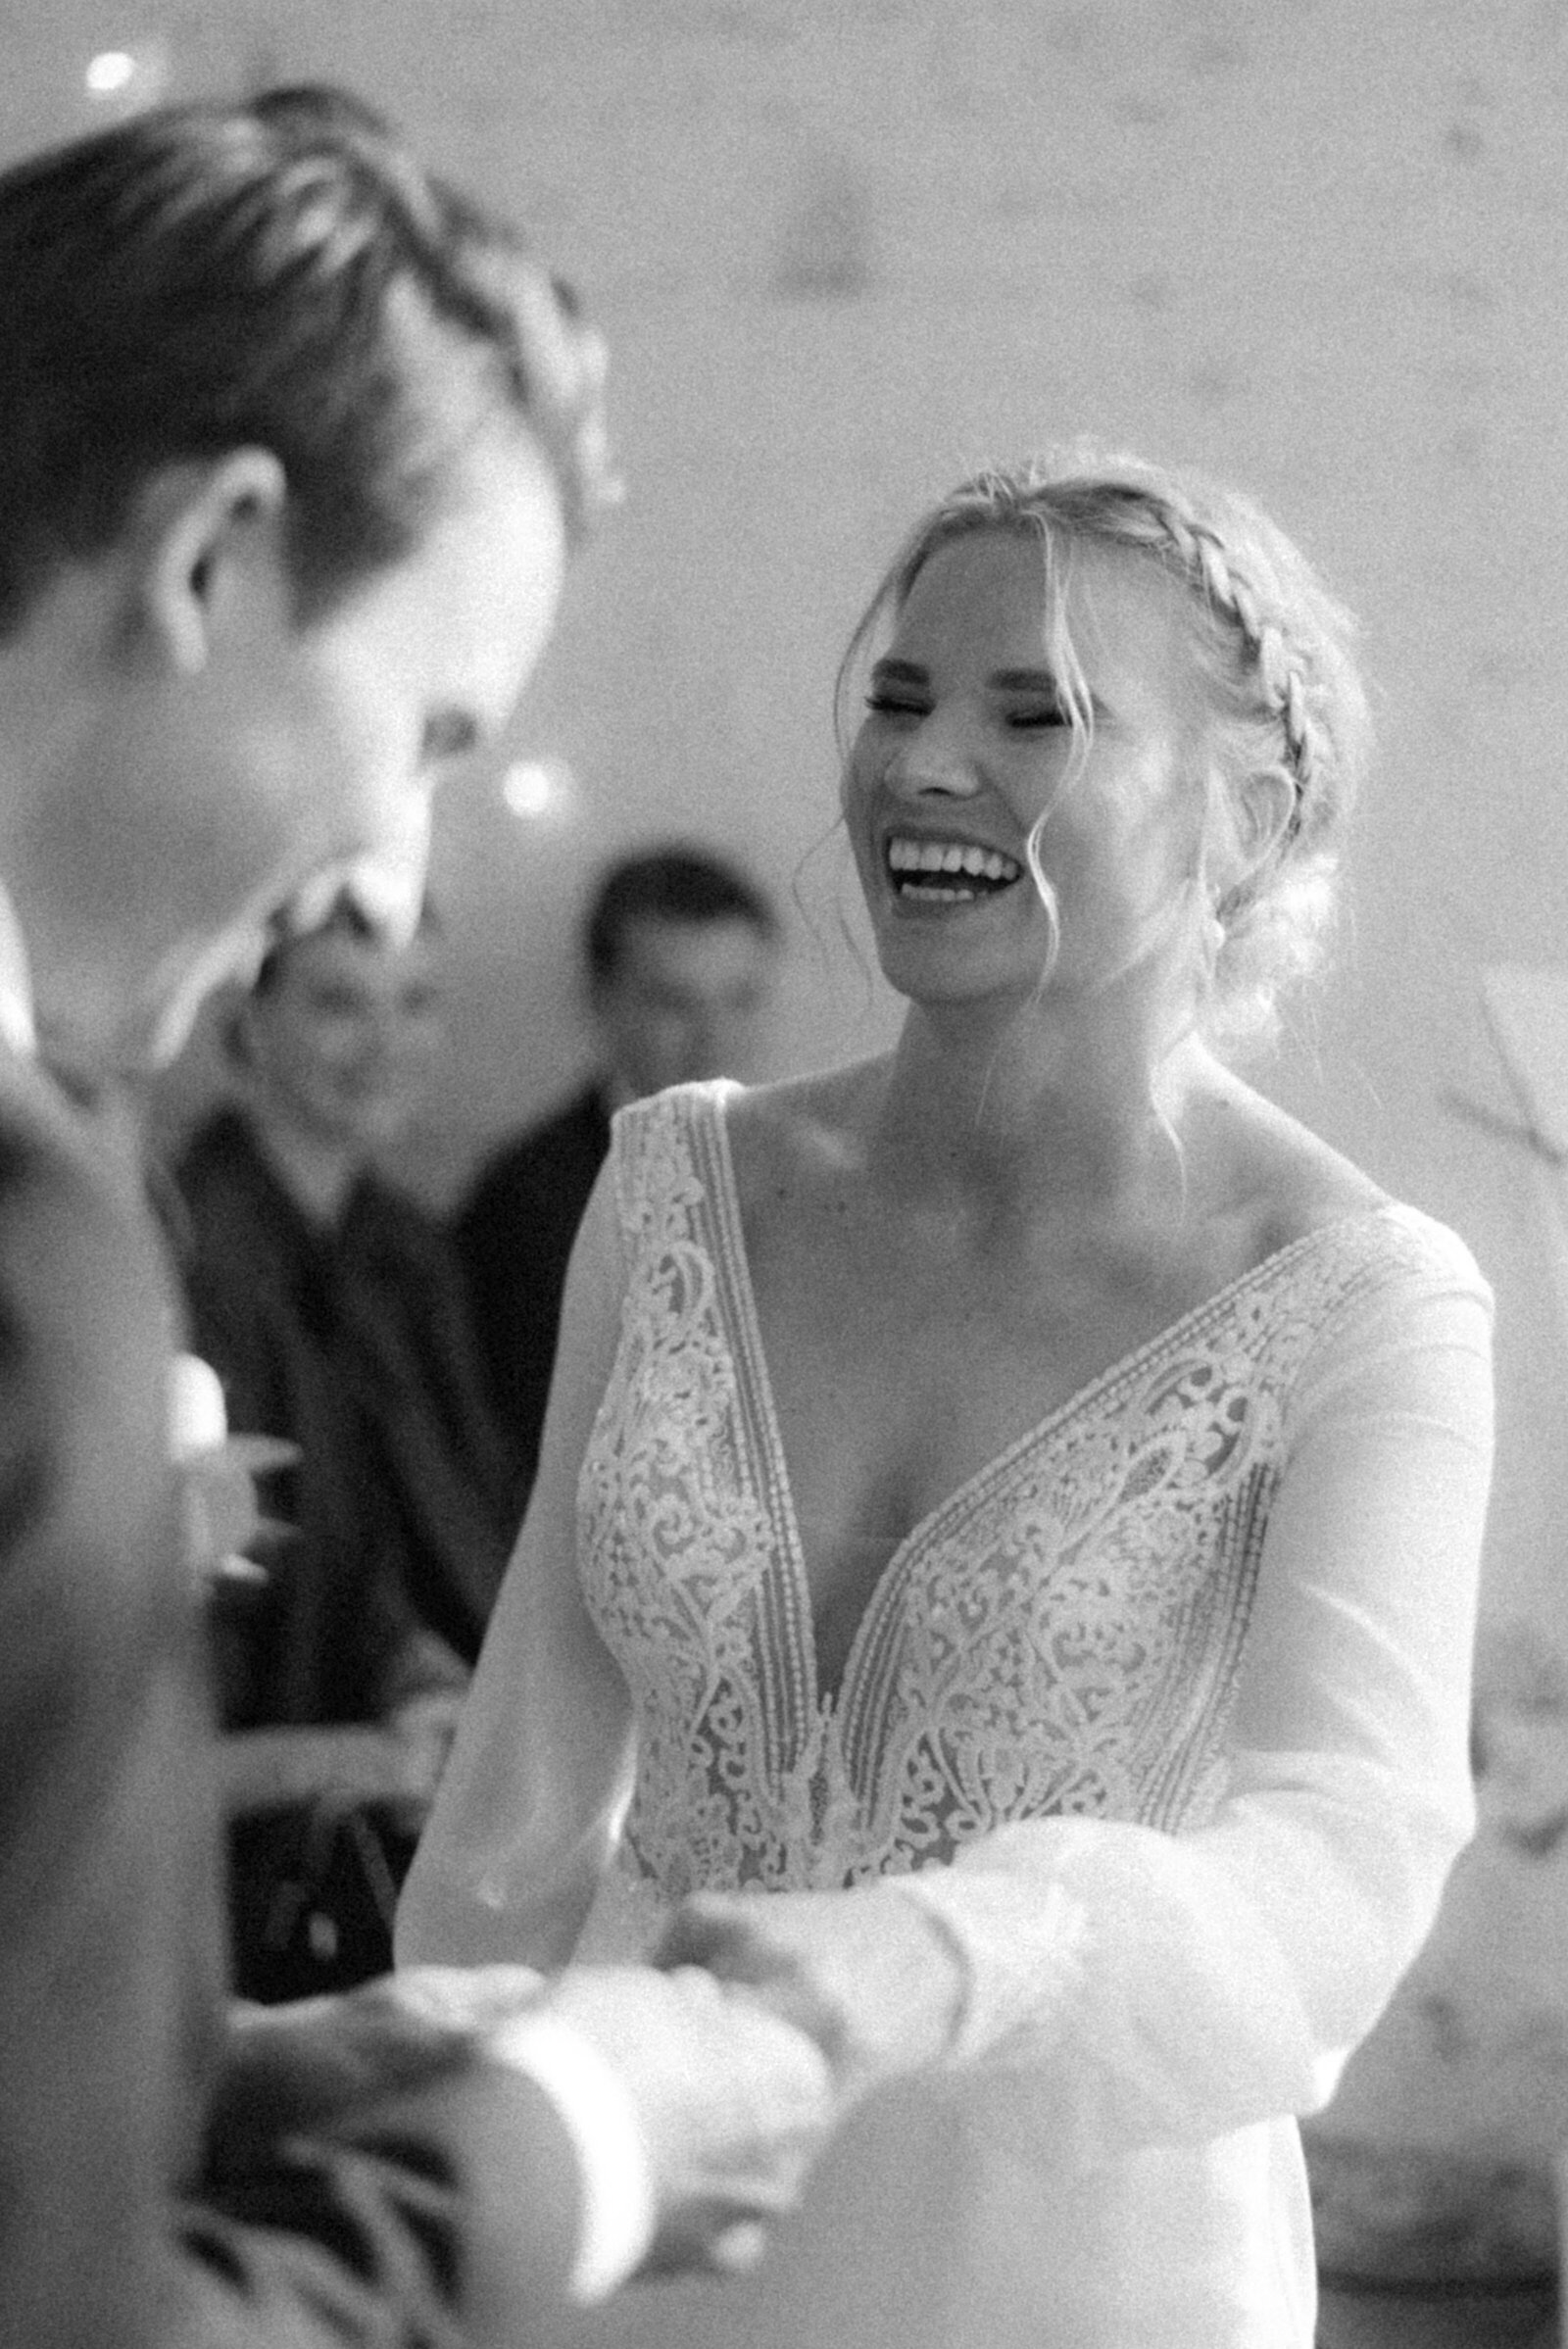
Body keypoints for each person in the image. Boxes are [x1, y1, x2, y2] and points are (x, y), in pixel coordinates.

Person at [397, 451, 1496, 2348]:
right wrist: (430, 2175)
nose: (918, 763)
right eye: (898, 698)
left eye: (1034, 712)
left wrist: (947, 1949)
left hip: (1071, 2267)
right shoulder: (674, 1186)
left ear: (1243, 816)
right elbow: (518, 1793)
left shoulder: (1362, 1300)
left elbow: (1345, 1854)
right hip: (643, 2213)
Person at [0, 82, 833, 2349]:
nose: (387, 863)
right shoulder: (33, 1222)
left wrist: (215, 2077)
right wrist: (556, 2154)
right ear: (210, 563)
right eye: (429, 727)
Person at [166, 883, 515, 2000]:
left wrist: (424, 1686)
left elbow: (386, 1565)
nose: (386, 1045)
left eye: (414, 1004)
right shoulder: (177, 1262)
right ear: (241, 1027)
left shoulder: (405, 1253)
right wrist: (356, 1757)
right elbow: (152, 1679)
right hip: (193, 1889)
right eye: (337, 1005)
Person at [459, 842, 780, 1510]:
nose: (714, 1039)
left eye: (740, 1000)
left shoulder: (794, 1180)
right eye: (675, 1003)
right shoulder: (527, 1204)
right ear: (600, 1000)